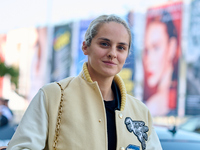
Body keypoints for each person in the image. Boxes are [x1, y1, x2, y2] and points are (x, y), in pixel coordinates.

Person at [7, 15, 162, 150]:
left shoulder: (141, 111)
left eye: (121, 47)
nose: (112, 53)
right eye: (104, 44)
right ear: (85, 47)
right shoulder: (52, 96)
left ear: (127, 54)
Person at [143, 10, 180, 116]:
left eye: (156, 48)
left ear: (171, 47)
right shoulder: (150, 104)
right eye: (147, 50)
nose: (148, 60)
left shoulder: (153, 105)